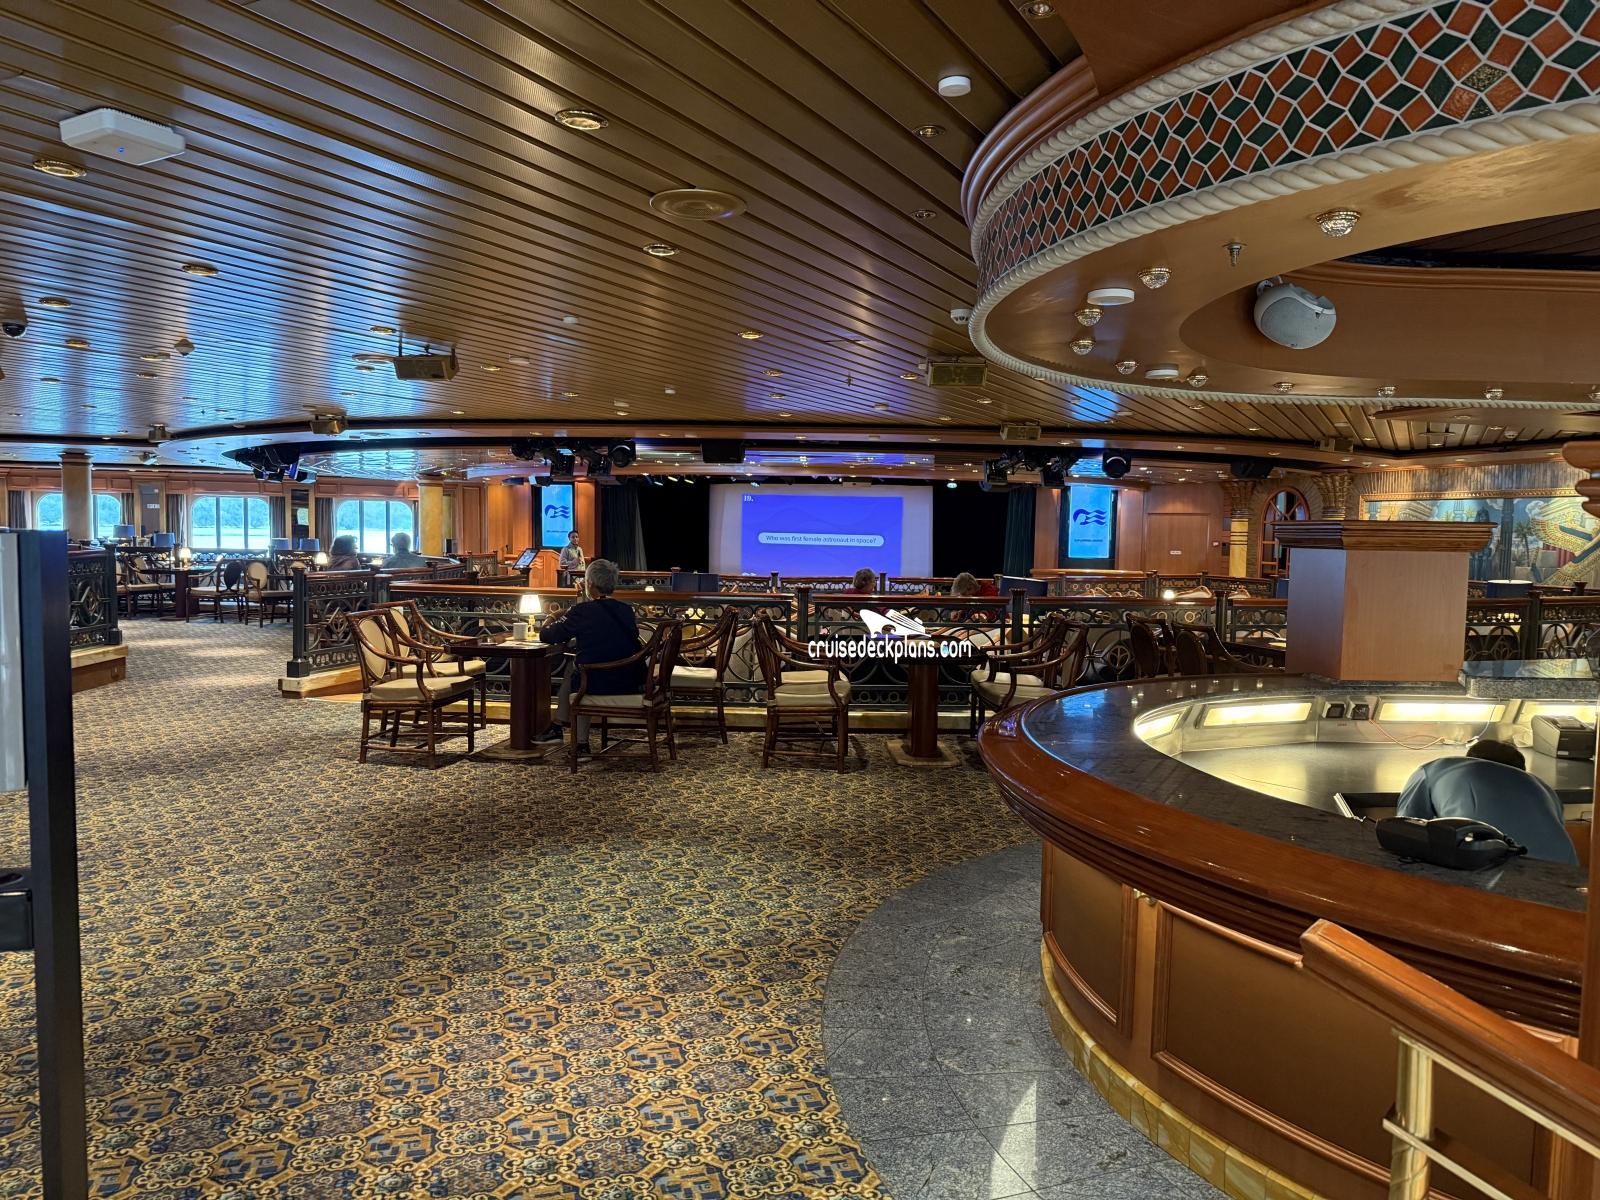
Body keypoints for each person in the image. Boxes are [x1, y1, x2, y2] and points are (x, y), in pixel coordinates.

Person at [1396, 738, 1579, 865]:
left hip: (1489, 865)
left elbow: (1405, 830)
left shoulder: (1434, 769)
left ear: (1469, 758)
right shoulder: (1545, 788)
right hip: (1566, 870)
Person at [537, 559, 644, 748]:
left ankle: (578, 743)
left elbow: (547, 635)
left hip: (596, 683)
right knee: (574, 669)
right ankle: (558, 727)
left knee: (579, 672)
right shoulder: (626, 610)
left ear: (590, 583)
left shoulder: (582, 611)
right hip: (631, 680)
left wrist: (552, 616)